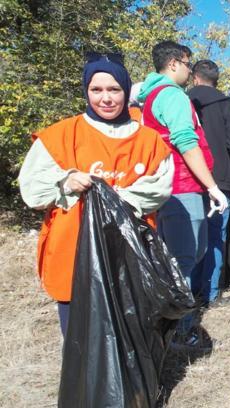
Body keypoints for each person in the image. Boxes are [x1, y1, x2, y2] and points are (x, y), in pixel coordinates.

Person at [17, 52, 173, 338]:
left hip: (129, 248)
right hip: (73, 247)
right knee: (78, 327)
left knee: (129, 318)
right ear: (86, 91)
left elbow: (160, 187)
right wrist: (65, 181)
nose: (106, 98)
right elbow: (32, 189)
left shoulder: (148, 141)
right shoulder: (61, 135)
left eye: (114, 89)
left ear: (126, 91)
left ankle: (129, 382)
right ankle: (85, 381)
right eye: (96, 89)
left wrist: (117, 197)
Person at [137, 41, 228, 348]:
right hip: (182, 186)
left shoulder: (152, 95)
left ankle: (172, 326)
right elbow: (186, 142)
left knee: (181, 258)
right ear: (174, 63)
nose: (191, 72)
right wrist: (213, 187)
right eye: (189, 64)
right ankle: (179, 333)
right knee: (183, 261)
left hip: (175, 188)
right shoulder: (172, 96)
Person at [188, 59, 230, 307]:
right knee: (214, 237)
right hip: (220, 179)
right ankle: (209, 294)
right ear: (216, 80)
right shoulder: (227, 104)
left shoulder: (182, 101)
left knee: (187, 236)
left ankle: (187, 292)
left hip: (188, 178)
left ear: (195, 78)